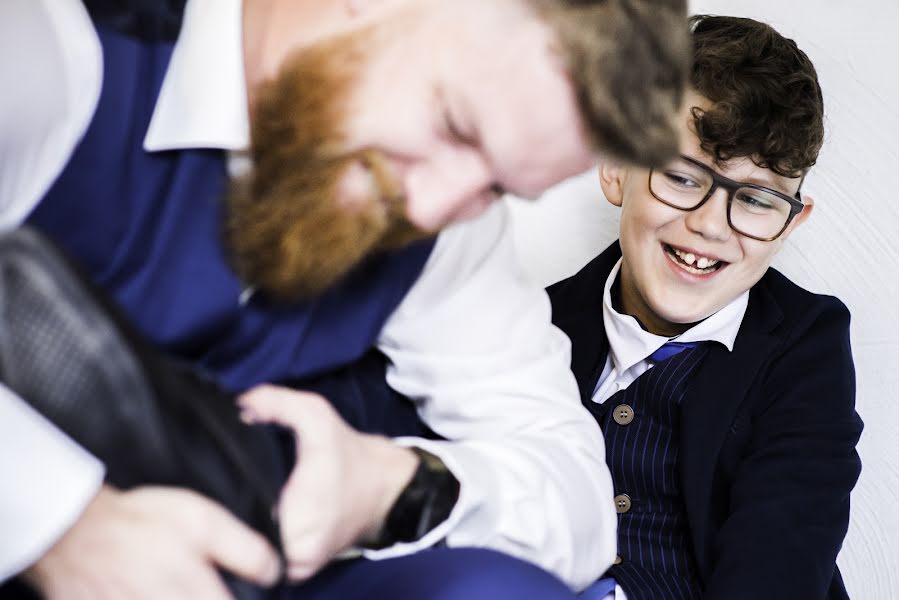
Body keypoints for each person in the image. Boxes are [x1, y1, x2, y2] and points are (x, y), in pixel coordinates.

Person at [0, 0, 690, 598]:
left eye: (500, 188)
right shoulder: (51, 49)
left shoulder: (450, 218)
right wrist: (64, 527)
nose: (431, 208)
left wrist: (386, 487)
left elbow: (576, 495)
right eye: (452, 123)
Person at [548, 15, 863, 599]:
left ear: (791, 221)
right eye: (681, 176)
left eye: (758, 200)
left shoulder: (805, 347)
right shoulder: (528, 329)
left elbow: (783, 560)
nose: (709, 226)